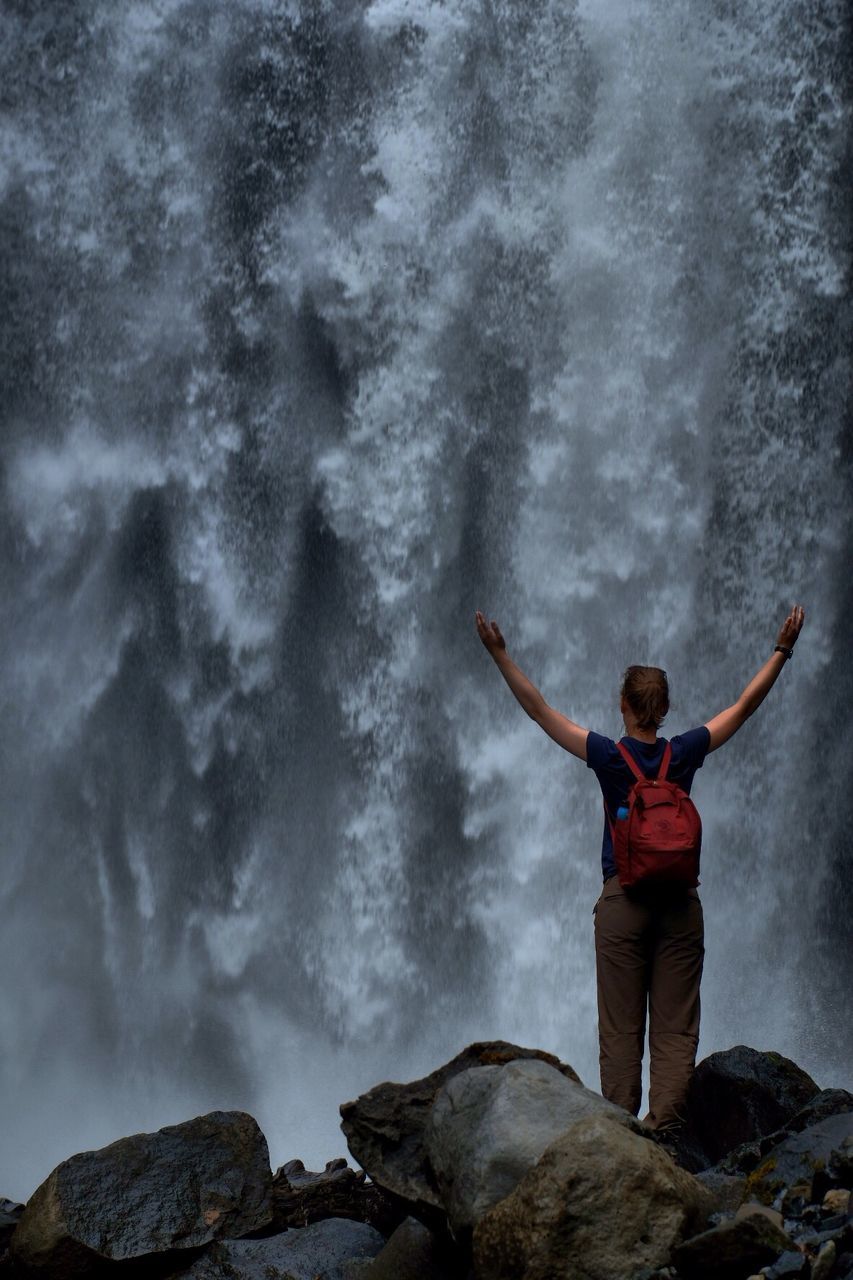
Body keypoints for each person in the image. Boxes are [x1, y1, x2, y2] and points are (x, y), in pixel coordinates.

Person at [474, 604, 805, 1131]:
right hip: (679, 907)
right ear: (664, 709)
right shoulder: (685, 752)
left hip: (622, 904)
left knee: (621, 1029)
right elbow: (744, 707)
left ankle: (621, 1135)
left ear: (624, 705)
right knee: (675, 1030)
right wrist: (782, 650)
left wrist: (499, 654)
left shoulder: (607, 756)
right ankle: (666, 1133)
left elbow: (540, 712)